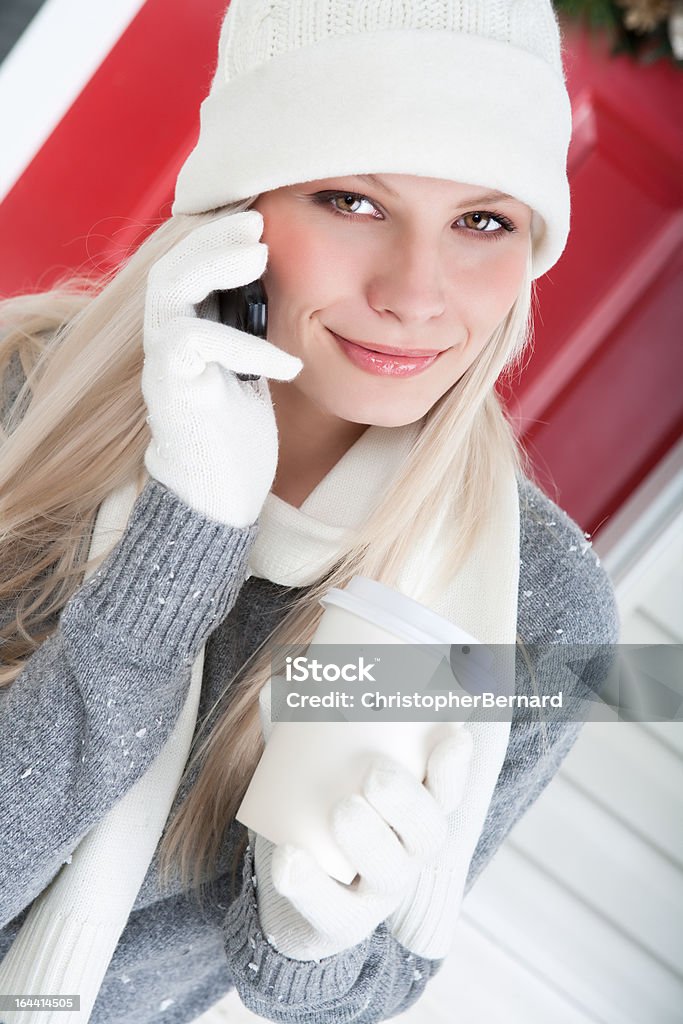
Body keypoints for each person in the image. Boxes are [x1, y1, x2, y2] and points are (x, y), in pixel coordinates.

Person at [0, 1, 620, 1022]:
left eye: (482, 221)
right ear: (240, 208)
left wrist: (307, 940)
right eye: (350, 198)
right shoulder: (23, 383)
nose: (415, 294)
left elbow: (375, 986)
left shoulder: (533, 607)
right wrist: (189, 530)